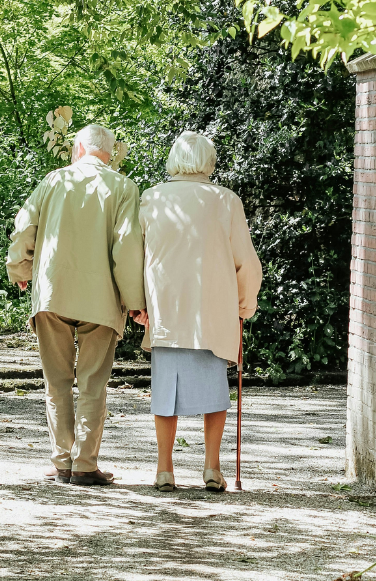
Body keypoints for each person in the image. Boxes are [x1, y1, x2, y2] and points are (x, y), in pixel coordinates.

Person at [6, 124, 145, 486]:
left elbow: (24, 228)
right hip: (101, 298)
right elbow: (127, 247)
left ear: (79, 148)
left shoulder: (53, 181)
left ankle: (61, 463)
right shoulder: (124, 187)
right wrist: (135, 301)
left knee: (56, 382)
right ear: (109, 153)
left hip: (53, 293)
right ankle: (84, 465)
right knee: (92, 384)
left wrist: (20, 268)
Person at [134, 131, 262, 493]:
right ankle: (211, 467)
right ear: (209, 161)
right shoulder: (225, 201)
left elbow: (136, 256)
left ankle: (164, 469)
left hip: (167, 309)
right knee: (214, 392)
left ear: (174, 159)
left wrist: (138, 303)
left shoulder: (152, 198)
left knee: (164, 393)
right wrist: (244, 303)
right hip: (212, 311)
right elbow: (247, 263)